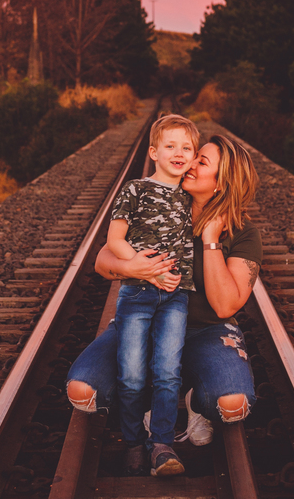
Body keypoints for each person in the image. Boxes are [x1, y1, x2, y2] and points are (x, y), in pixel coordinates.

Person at [67, 133, 262, 477]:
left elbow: (224, 306)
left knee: (234, 405)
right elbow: (101, 260)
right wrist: (131, 267)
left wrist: (210, 240)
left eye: (202, 162)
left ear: (222, 183)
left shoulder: (241, 232)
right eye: (194, 155)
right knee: (82, 391)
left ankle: (192, 401)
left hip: (207, 331)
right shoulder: (165, 203)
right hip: (146, 320)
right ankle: (151, 402)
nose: (189, 162)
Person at [104, 114, 200, 477]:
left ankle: (162, 445)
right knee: (130, 374)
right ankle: (132, 442)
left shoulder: (191, 197)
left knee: (167, 372)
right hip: (137, 294)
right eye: (170, 146)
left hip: (175, 297)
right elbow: (114, 241)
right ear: (154, 152)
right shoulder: (135, 189)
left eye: (186, 148)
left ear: (193, 158)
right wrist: (141, 267)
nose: (179, 153)